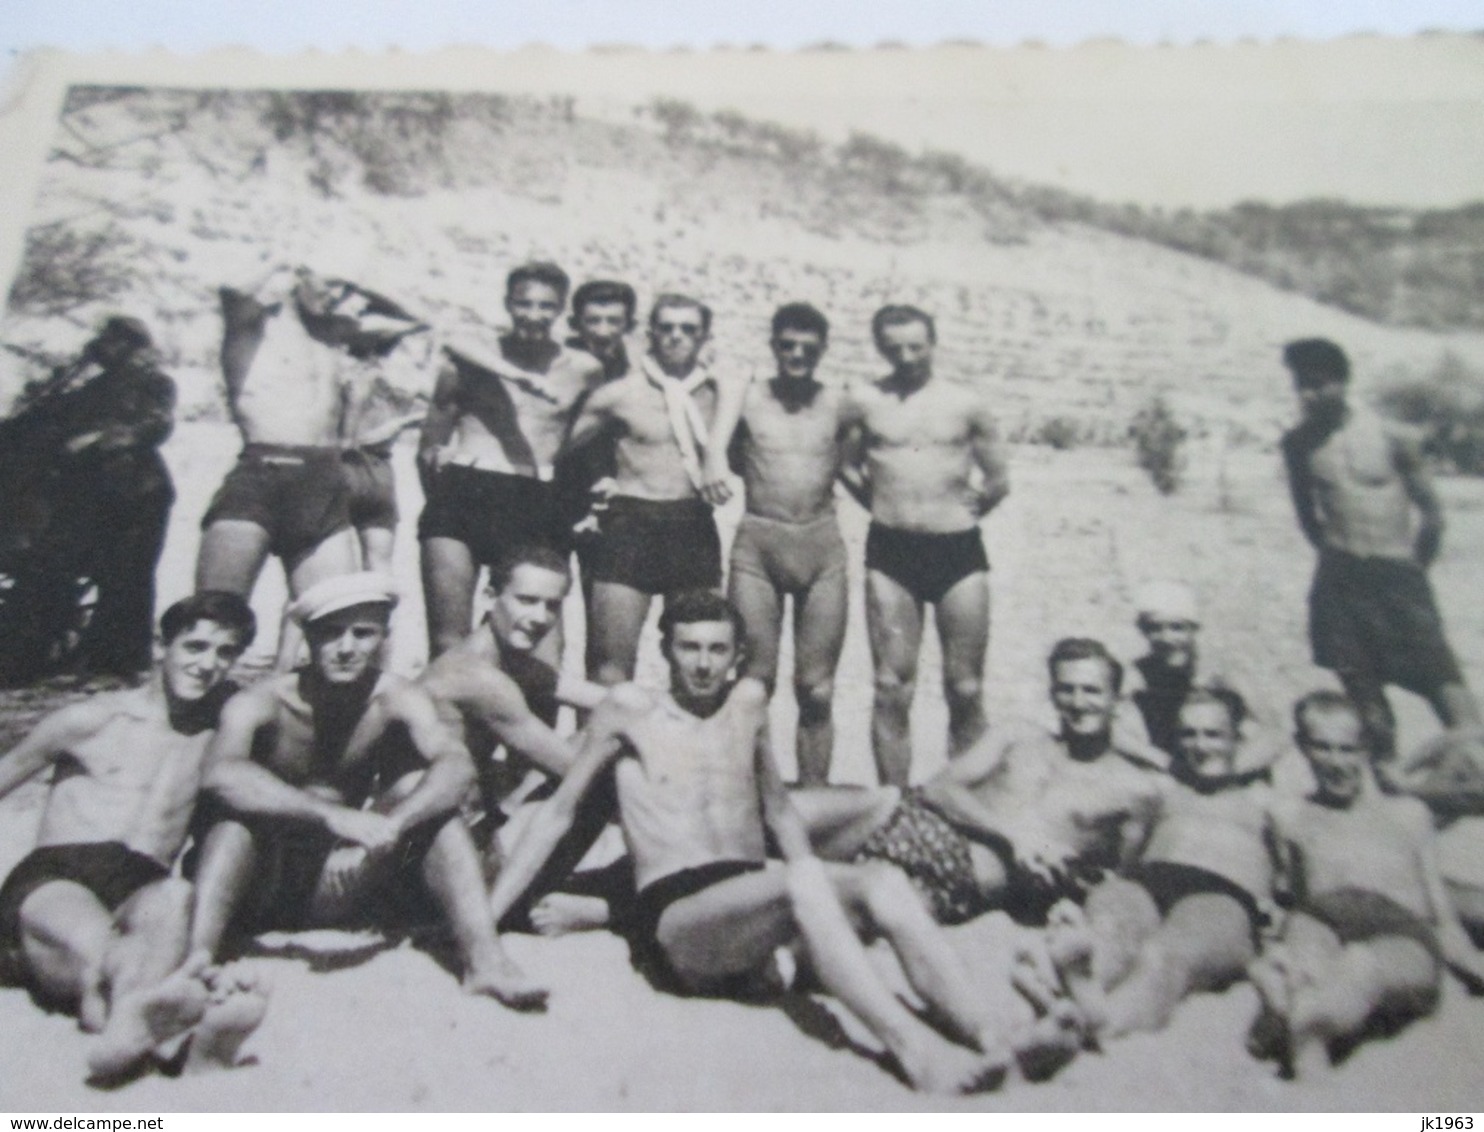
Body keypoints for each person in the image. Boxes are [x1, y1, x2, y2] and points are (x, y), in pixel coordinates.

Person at [485, 591, 1009, 1094]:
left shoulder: (749, 705)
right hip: (681, 924)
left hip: (755, 901)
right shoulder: (630, 711)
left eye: (717, 649)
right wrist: (482, 923)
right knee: (801, 879)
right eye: (689, 647)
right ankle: (916, 1050)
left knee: (881, 880)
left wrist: (822, 903)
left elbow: (778, 811)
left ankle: (989, 1033)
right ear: (666, 649)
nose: (704, 664)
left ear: (738, 656)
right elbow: (559, 814)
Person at [183, 572, 544, 1009]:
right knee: (231, 825)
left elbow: (456, 765)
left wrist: (394, 824)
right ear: (308, 638)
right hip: (260, 884)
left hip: (341, 879)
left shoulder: (393, 697)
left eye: (363, 633)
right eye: (331, 634)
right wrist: (331, 816)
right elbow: (221, 774)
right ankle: (192, 967)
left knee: (429, 803)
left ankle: (486, 963)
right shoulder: (264, 701)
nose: (347, 648)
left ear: (384, 639)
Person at [0, 592, 264, 1080]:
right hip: (59, 873)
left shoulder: (221, 734)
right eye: (195, 647)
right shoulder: (93, 720)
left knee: (176, 898)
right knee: (92, 938)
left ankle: (123, 1021)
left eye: (224, 653)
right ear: (163, 646)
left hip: (142, 879)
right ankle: (166, 1026)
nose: (207, 665)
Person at [795, 638, 1165, 929]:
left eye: (1092, 691)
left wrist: (1065, 893)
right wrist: (1013, 838)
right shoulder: (1018, 736)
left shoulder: (1134, 790)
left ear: (1116, 700)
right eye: (1067, 690)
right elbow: (937, 788)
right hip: (907, 817)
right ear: (1053, 694)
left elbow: (1121, 885)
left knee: (838, 907)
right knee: (793, 812)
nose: (1078, 702)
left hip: (965, 873)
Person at [1247, 691, 1484, 1078]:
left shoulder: (1409, 815)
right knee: (1304, 951)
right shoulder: (1289, 816)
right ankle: (1305, 1025)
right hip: (1322, 917)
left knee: (1361, 966)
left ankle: (1304, 1014)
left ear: (1366, 751)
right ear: (1303, 748)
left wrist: (1472, 966)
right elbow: (1286, 894)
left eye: (1347, 749)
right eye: (1322, 748)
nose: (1336, 762)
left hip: (1400, 928)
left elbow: (1442, 916)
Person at [1035, 687, 1278, 1042]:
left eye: (1213, 734)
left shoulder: (1263, 802)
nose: (1201, 746)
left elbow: (1282, 732)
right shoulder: (1162, 790)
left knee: (1163, 955)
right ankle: (1080, 996)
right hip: (1147, 883)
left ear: (1237, 738)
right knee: (1108, 931)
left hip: (1222, 894)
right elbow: (1098, 819)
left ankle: (1100, 1023)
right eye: (1189, 735)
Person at [1280, 337, 1481, 762]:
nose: (1308, 395)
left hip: (1398, 577)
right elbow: (1307, 517)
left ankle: (1454, 793)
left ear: (1343, 381)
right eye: (1300, 385)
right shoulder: (1298, 445)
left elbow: (1433, 515)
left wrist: (1412, 569)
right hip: (1340, 580)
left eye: (1317, 384)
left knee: (1456, 705)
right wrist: (1337, 554)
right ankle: (1388, 793)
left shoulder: (1393, 437)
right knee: (1369, 712)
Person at [417, 545, 628, 934]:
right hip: (445, 869)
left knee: (599, 734)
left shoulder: (506, 662)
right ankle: (620, 905)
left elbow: (606, 700)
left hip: (465, 838)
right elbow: (573, 771)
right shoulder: (479, 678)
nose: (539, 618)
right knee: (602, 769)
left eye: (551, 606)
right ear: (489, 595)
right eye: (527, 601)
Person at [840, 305, 1009, 786]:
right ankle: (896, 807)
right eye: (895, 348)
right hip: (892, 553)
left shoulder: (966, 403)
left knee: (966, 687)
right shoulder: (864, 401)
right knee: (891, 687)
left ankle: (969, 801)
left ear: (933, 343)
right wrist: (883, 504)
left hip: (958, 552)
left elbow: (998, 480)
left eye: (917, 346)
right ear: (880, 349)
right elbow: (846, 466)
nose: (907, 356)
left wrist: (964, 512)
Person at [416, 262, 603, 657]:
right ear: (507, 304)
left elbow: (587, 439)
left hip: (534, 498)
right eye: (523, 304)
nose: (533, 316)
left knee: (542, 645)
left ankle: (528, 719)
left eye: (545, 306)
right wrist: (441, 500)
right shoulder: (471, 359)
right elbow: (429, 443)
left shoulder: (584, 370)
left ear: (561, 311)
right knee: (449, 640)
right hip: (465, 491)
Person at [701, 303, 850, 785]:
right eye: (787, 345)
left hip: (822, 546)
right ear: (773, 346)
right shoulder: (747, 399)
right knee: (752, 683)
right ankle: (748, 791)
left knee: (817, 688)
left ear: (823, 349)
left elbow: (868, 459)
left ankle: (815, 796)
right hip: (758, 547)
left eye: (808, 347)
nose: (797, 355)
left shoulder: (840, 402)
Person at [562, 294, 725, 685]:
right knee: (610, 667)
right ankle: (601, 747)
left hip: (692, 525)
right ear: (650, 333)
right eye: (666, 327)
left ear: (705, 336)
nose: (676, 337)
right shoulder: (618, 394)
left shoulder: (721, 396)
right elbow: (558, 447)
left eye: (688, 329)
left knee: (696, 668)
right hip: (629, 524)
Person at [195, 265, 363, 618]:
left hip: (323, 479)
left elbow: (418, 320)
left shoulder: (333, 334)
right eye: (328, 282)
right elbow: (233, 289)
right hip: (263, 470)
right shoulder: (253, 326)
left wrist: (359, 281)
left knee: (334, 616)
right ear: (300, 276)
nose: (336, 295)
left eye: (343, 288)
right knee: (213, 617)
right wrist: (279, 261)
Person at [552, 279, 639, 631]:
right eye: (593, 321)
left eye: (614, 321)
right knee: (542, 598)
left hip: (609, 499)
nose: (603, 331)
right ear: (575, 324)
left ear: (629, 326)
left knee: (603, 613)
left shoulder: (636, 373)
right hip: (553, 495)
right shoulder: (556, 364)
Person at [1124, 579, 1280, 766]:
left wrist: (1234, 767)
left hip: (1223, 764)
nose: (1166, 638)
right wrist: (1165, 763)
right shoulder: (1138, 674)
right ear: (1144, 632)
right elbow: (1116, 732)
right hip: (1170, 766)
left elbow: (1274, 731)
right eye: (1155, 629)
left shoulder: (1221, 672)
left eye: (1177, 628)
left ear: (1194, 629)